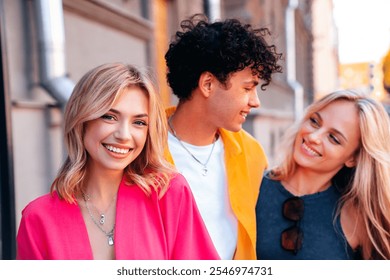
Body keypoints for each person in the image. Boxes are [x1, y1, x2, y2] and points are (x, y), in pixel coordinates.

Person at [16, 62, 220, 260]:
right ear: (82, 120)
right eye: (109, 117)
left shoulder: (169, 194)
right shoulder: (38, 218)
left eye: (139, 122)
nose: (124, 134)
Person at [164, 14, 283, 259]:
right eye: (248, 88)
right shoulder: (141, 148)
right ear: (208, 84)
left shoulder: (251, 153)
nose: (256, 102)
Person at [256, 90, 390, 260]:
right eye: (314, 121)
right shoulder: (254, 187)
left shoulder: (358, 219)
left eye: (333, 138)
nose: (313, 137)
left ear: (353, 158)